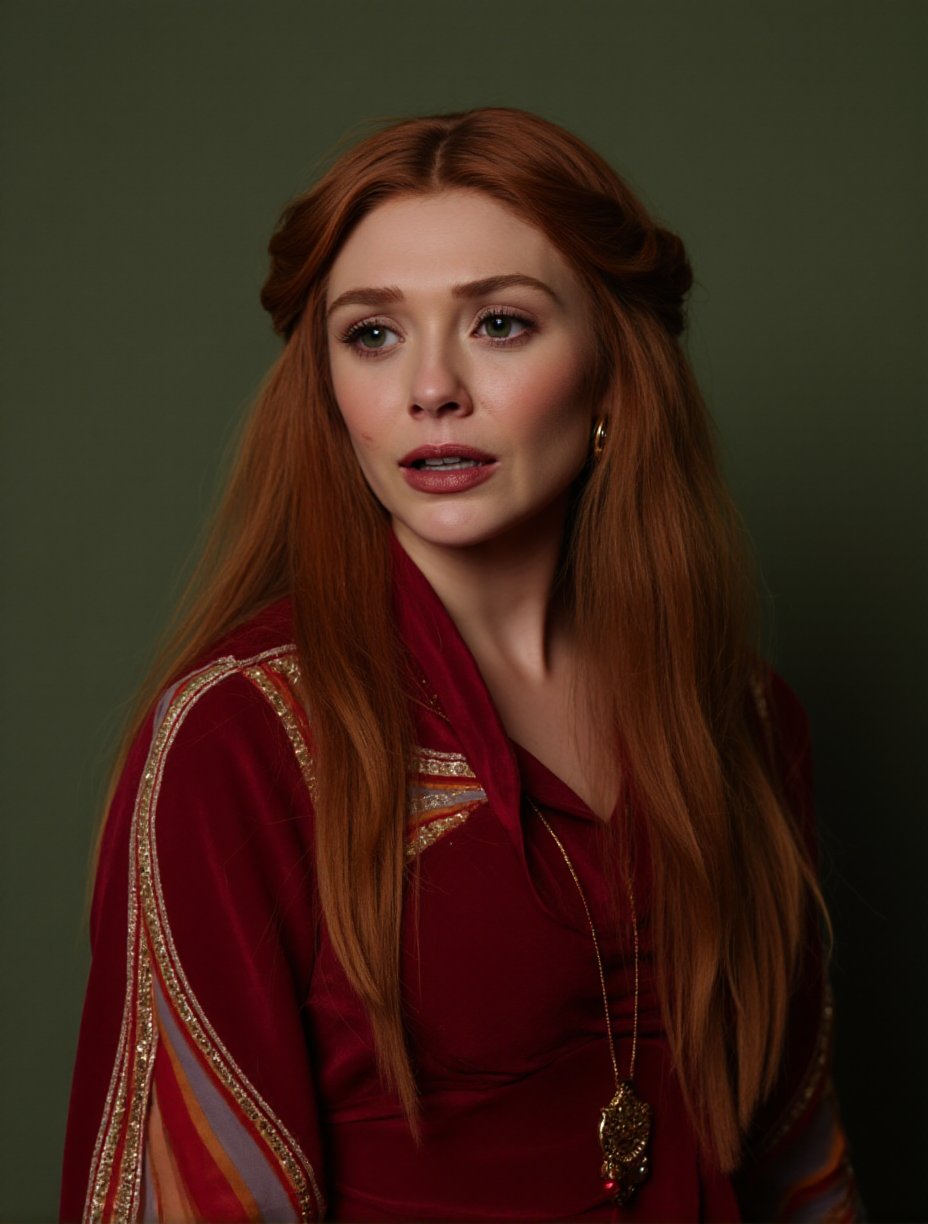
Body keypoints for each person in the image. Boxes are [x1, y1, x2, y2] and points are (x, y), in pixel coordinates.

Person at [60, 107, 860, 1222]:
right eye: (373, 334)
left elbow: (796, 1164)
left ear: (614, 378)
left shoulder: (743, 720)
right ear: (330, 395)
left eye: (498, 322)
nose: (430, 388)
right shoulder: (242, 738)